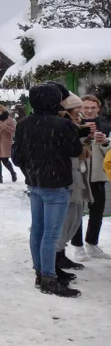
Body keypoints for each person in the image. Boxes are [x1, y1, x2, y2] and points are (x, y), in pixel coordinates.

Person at [12, 82, 84, 297]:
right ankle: (49, 279)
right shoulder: (62, 125)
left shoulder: (24, 124)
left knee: (38, 230)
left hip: (35, 183)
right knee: (50, 234)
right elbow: (75, 150)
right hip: (56, 184)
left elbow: (17, 156)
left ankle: (40, 273)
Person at [54, 94, 92, 278]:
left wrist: (87, 138)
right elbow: (67, 148)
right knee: (67, 218)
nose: (81, 111)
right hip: (67, 177)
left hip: (78, 174)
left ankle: (60, 253)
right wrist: (80, 137)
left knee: (76, 217)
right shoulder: (61, 125)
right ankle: (56, 256)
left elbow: (83, 153)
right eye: (77, 108)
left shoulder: (77, 123)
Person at [71, 94, 110, 260]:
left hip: (97, 173)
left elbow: (109, 152)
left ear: (98, 109)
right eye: (85, 107)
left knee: (97, 210)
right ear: (80, 108)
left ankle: (92, 243)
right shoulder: (72, 123)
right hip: (79, 173)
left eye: (93, 108)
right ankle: (77, 246)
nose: (89, 111)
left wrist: (105, 142)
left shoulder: (106, 125)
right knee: (77, 210)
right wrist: (85, 136)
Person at [0, 104, 17, 183]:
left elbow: (13, 130)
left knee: (5, 160)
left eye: (0, 110)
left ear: (3, 110)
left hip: (5, 142)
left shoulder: (9, 119)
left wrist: (3, 125)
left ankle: (13, 173)